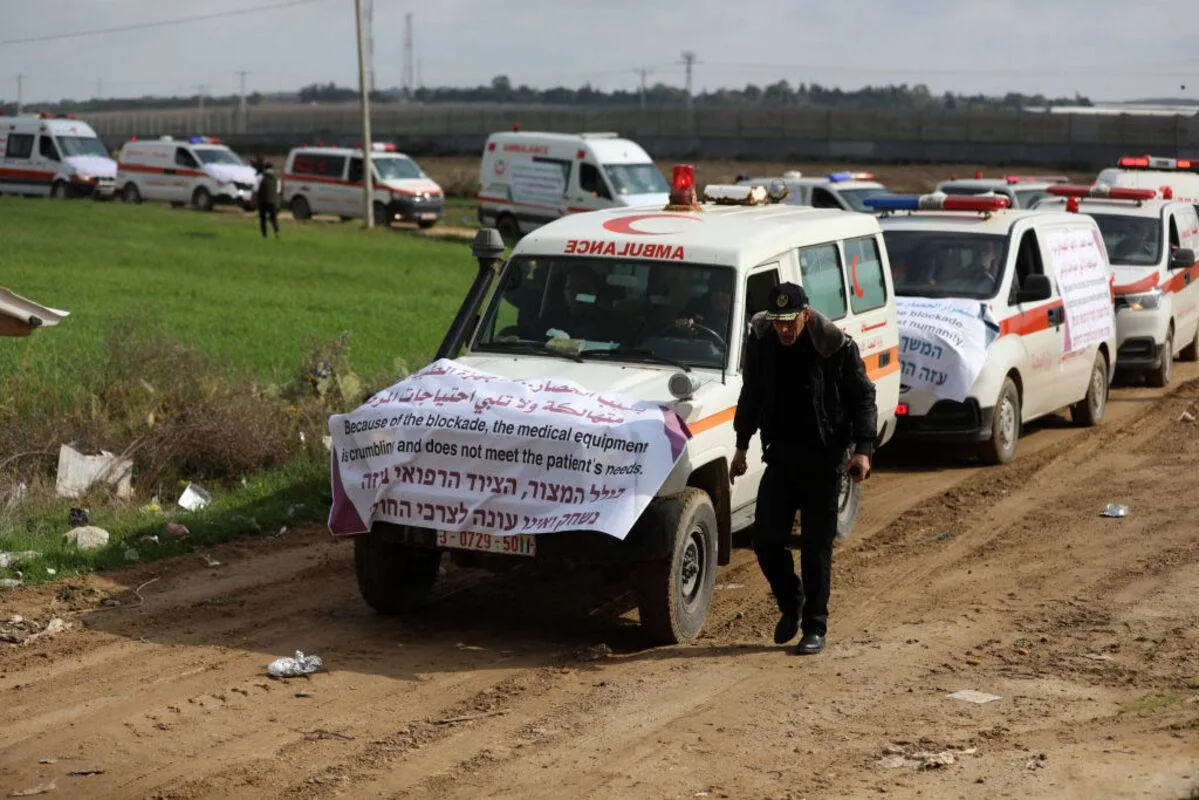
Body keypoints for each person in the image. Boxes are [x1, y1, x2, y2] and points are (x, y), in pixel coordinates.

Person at [730, 282, 877, 656]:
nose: (783, 329)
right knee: (764, 540)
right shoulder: (764, 344)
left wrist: (862, 450)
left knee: (816, 548)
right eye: (777, 321)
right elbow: (752, 395)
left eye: (789, 321)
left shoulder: (835, 347)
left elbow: (863, 397)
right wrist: (741, 445)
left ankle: (815, 626)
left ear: (805, 315)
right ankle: (791, 602)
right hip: (780, 458)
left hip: (824, 461)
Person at [257, 163, 280, 240]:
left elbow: (257, 189)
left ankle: (264, 235)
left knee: (263, 219)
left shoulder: (261, 177)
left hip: (263, 201)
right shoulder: (276, 178)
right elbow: (278, 190)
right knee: (273, 218)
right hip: (273, 201)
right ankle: (276, 233)